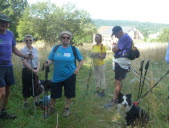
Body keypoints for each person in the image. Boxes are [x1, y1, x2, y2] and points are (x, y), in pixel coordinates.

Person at [44, 31, 83, 117]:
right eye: (63, 37)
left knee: (69, 93)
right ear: (61, 39)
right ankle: (52, 108)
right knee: (54, 93)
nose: (65, 39)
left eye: (67, 37)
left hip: (70, 75)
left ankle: (67, 108)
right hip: (57, 76)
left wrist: (77, 69)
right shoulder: (56, 48)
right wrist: (47, 63)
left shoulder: (73, 49)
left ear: (70, 39)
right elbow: (51, 59)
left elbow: (81, 60)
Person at [0, 14, 31, 119]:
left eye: (6, 22)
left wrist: (25, 55)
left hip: (8, 66)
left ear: (8, 24)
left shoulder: (10, 34)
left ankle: (3, 112)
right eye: (1, 22)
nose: (4, 24)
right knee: (2, 92)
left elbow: (14, 49)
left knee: (7, 91)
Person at [105, 26, 132, 108]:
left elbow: (115, 49)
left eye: (115, 34)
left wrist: (113, 47)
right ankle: (117, 98)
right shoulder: (124, 38)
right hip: (121, 61)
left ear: (120, 32)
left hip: (121, 61)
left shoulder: (124, 37)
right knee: (118, 81)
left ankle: (114, 100)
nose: (115, 36)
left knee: (117, 81)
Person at [20, 34, 41, 108]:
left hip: (35, 69)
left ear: (32, 41)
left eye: (30, 40)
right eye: (27, 40)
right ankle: (25, 102)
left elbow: (38, 60)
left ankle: (36, 101)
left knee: (36, 85)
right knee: (26, 86)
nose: (28, 41)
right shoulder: (22, 50)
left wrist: (37, 69)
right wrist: (32, 70)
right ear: (24, 41)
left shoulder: (35, 49)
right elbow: (24, 62)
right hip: (27, 71)